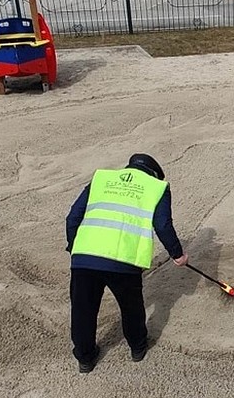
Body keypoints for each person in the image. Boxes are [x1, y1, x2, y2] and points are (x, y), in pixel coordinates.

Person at [65, 153, 187, 373]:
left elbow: (73, 217)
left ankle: (85, 358)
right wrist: (177, 254)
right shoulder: (157, 187)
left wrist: (75, 248)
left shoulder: (101, 179)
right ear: (155, 174)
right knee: (131, 307)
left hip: (84, 256)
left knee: (83, 309)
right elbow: (163, 225)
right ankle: (137, 348)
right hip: (123, 260)